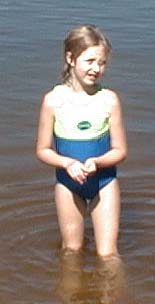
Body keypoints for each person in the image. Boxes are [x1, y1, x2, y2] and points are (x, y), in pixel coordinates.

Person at [36, 24, 127, 260]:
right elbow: (43, 150)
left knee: (108, 255)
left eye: (102, 62)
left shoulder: (109, 100)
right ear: (70, 58)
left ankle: (115, 296)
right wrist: (67, 163)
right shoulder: (53, 101)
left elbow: (120, 150)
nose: (96, 68)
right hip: (68, 185)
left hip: (104, 183)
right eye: (90, 61)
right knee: (71, 253)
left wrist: (97, 162)